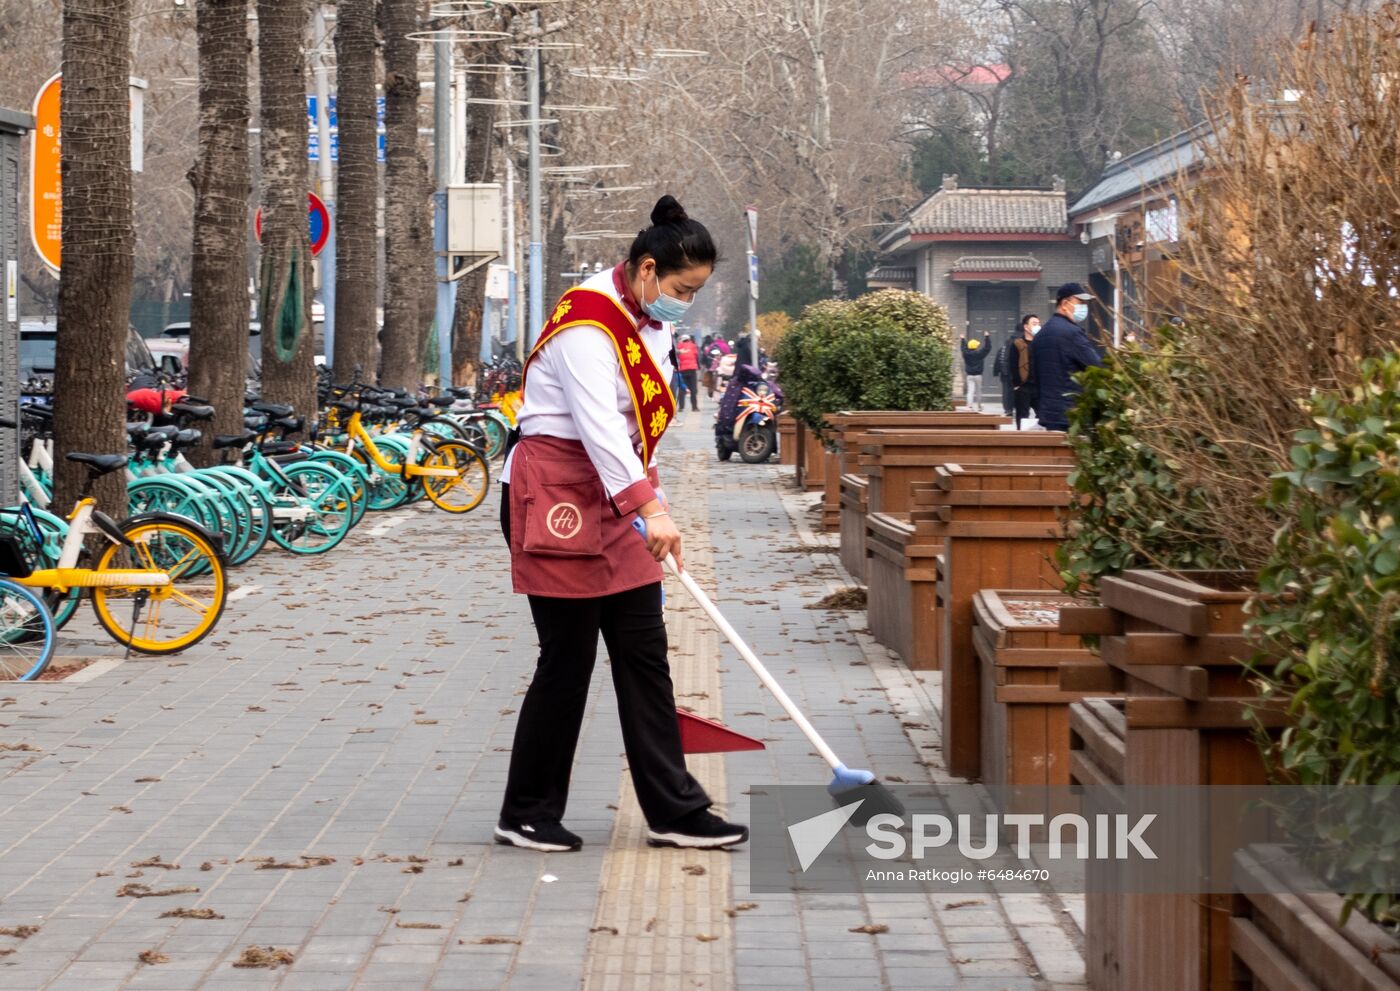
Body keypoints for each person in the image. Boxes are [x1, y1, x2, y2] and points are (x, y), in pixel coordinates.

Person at [496, 195, 747, 853]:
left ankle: (674, 809)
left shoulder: (651, 322)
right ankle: (526, 810)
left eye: (695, 293)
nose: (685, 303)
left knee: (645, 654)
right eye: (682, 290)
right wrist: (649, 507)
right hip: (557, 494)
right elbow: (599, 427)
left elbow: (639, 432)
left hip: (619, 498)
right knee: (568, 658)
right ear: (646, 269)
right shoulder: (586, 321)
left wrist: (653, 502)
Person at [1031, 283, 1102, 432]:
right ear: (1064, 304)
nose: (1084, 307)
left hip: (1048, 413)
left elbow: (1035, 376)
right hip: (1071, 413)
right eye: (1080, 302)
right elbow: (1097, 367)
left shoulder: (1041, 335)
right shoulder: (1072, 333)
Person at [1010, 313, 1040, 430]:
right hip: (1023, 386)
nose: (1037, 326)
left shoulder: (1041, 343)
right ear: (1026, 327)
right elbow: (1012, 364)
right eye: (1034, 323)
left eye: (1038, 323)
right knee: (1022, 417)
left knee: (1043, 414)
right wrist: (1017, 384)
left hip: (1039, 386)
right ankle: (1021, 437)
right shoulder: (1017, 344)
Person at [960, 335, 989, 410]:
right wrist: (987, 337)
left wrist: (963, 340)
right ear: (976, 347)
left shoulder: (966, 354)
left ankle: (969, 406)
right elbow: (987, 348)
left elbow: (963, 349)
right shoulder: (979, 354)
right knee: (979, 391)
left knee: (970, 391)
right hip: (978, 375)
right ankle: (979, 406)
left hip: (969, 375)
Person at [675, 333, 700, 412]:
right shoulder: (693, 346)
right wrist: (698, 366)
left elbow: (677, 356)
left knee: (682, 388)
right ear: (689, 339)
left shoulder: (679, 346)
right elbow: (696, 356)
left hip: (683, 369)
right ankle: (694, 407)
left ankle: (681, 407)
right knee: (693, 388)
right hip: (692, 369)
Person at [992, 337, 1015, 417]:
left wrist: (996, 372)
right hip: (1013, 375)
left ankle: (1007, 408)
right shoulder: (1014, 349)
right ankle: (1012, 407)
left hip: (1004, 375)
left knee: (1006, 392)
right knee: (1013, 392)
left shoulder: (1002, 350)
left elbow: (997, 361)